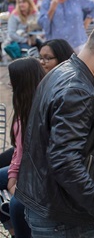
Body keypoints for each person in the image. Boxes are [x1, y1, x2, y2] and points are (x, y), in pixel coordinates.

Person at [15, 19, 94, 236]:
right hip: (63, 218)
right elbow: (64, 161)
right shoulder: (77, 90)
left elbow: (53, 143)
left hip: (54, 209)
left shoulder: (63, 70)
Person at [0, 58, 45, 237]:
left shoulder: (41, 109)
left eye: (13, 78)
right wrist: (12, 176)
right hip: (23, 168)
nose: (9, 83)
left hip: (40, 176)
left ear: (23, 80)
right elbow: (19, 151)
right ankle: (12, 229)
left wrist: (16, 180)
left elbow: (35, 157)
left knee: (16, 205)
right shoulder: (23, 107)